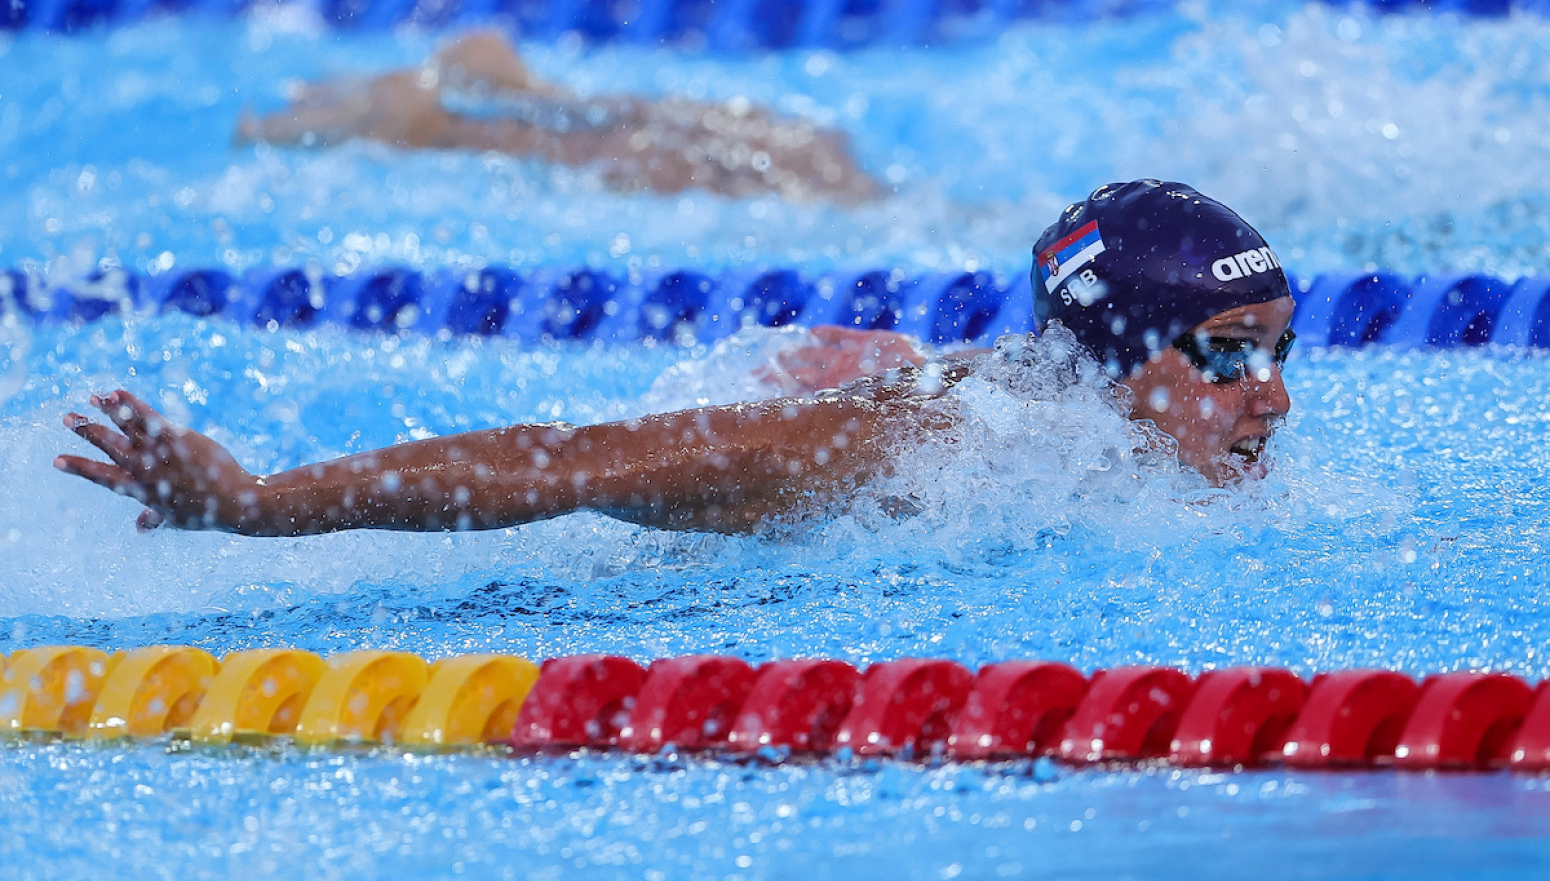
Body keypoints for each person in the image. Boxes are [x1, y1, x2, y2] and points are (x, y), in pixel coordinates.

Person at [54, 180, 1294, 536]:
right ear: (1111, 352)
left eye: (1280, 356)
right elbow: (574, 463)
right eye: (1230, 358)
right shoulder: (917, 453)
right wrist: (255, 503)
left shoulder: (1127, 441)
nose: (1272, 400)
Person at [234, 30, 878, 205]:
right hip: (829, 172)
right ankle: (428, 122)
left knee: (707, 143)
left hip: (816, 154)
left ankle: (514, 91)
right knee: (658, 156)